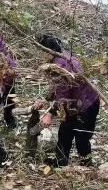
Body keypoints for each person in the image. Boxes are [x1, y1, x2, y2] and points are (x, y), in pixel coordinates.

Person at [36, 34, 100, 167]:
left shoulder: (60, 68)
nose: (41, 55)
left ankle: (87, 166)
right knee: (65, 133)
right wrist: (46, 99)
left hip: (85, 106)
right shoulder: (64, 54)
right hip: (77, 103)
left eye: (42, 51)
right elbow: (58, 88)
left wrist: (49, 114)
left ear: (48, 52)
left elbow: (62, 96)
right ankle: (61, 161)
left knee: (81, 139)